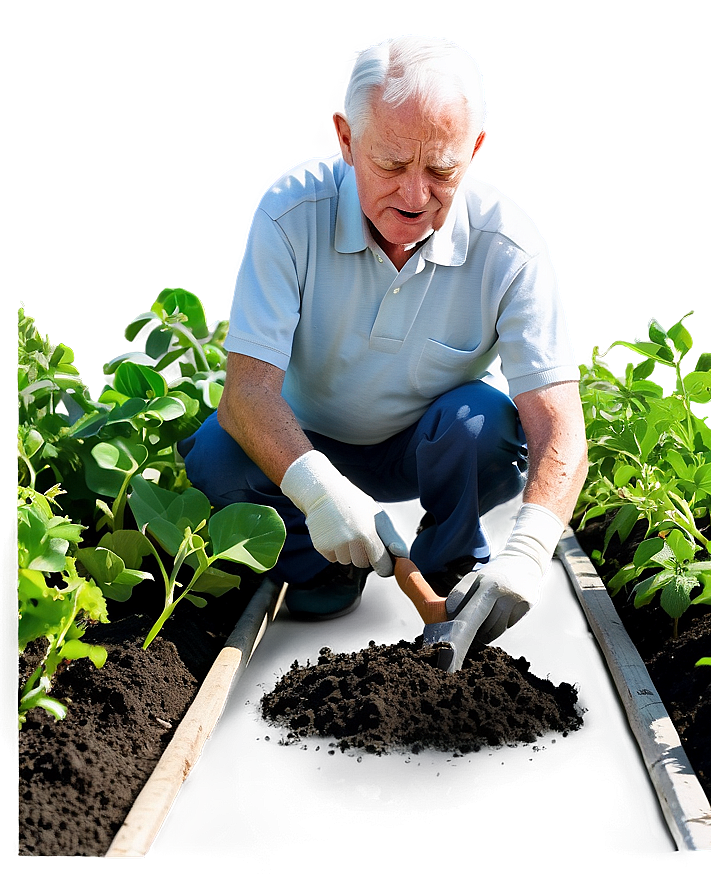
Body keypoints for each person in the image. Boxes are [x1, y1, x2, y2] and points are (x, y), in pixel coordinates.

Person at [179, 32, 588, 643]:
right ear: (346, 139)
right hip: (306, 439)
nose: (416, 195)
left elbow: (560, 428)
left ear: (475, 150)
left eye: (443, 168)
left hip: (427, 449)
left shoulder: (511, 249)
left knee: (481, 423)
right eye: (391, 165)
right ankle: (321, 565)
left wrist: (529, 551)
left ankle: (451, 562)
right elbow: (247, 395)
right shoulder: (291, 216)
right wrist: (319, 492)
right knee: (217, 455)